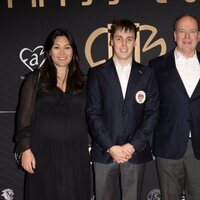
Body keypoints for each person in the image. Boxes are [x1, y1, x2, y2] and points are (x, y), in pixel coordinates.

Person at [86, 19, 159, 200]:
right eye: (119, 38)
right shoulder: (97, 73)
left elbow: (152, 113)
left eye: (129, 38)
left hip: (134, 153)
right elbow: (93, 113)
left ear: (135, 41)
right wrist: (110, 147)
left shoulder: (147, 74)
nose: (124, 44)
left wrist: (132, 146)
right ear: (111, 41)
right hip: (105, 153)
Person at [15, 28, 90, 200]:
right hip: (43, 154)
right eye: (57, 47)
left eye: (67, 47)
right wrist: (25, 149)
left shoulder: (84, 81)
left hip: (76, 153)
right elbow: (23, 118)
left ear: (74, 51)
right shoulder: (35, 79)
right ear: (49, 51)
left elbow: (93, 115)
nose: (62, 52)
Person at [149, 14, 200, 200]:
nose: (187, 37)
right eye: (182, 31)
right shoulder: (156, 66)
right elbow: (151, 108)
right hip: (168, 146)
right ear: (174, 35)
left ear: (199, 36)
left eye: (192, 31)